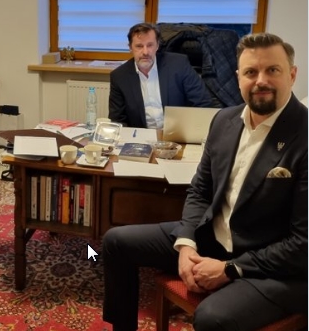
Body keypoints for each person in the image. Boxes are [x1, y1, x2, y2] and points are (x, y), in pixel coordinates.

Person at [103, 33, 308, 331]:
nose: (261, 80)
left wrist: (230, 269)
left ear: (292, 74)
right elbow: (200, 190)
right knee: (115, 242)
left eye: (272, 70)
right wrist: (186, 244)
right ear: (238, 78)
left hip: (274, 265)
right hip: (214, 238)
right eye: (251, 72)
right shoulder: (224, 120)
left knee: (212, 318)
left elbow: (303, 243)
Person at [108, 22, 211, 129]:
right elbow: (117, 120)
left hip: (178, 132)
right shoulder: (119, 77)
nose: (145, 52)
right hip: (141, 135)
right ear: (130, 47)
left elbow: (202, 103)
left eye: (150, 45)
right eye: (139, 46)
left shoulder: (179, 64)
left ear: (157, 45)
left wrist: (190, 131)